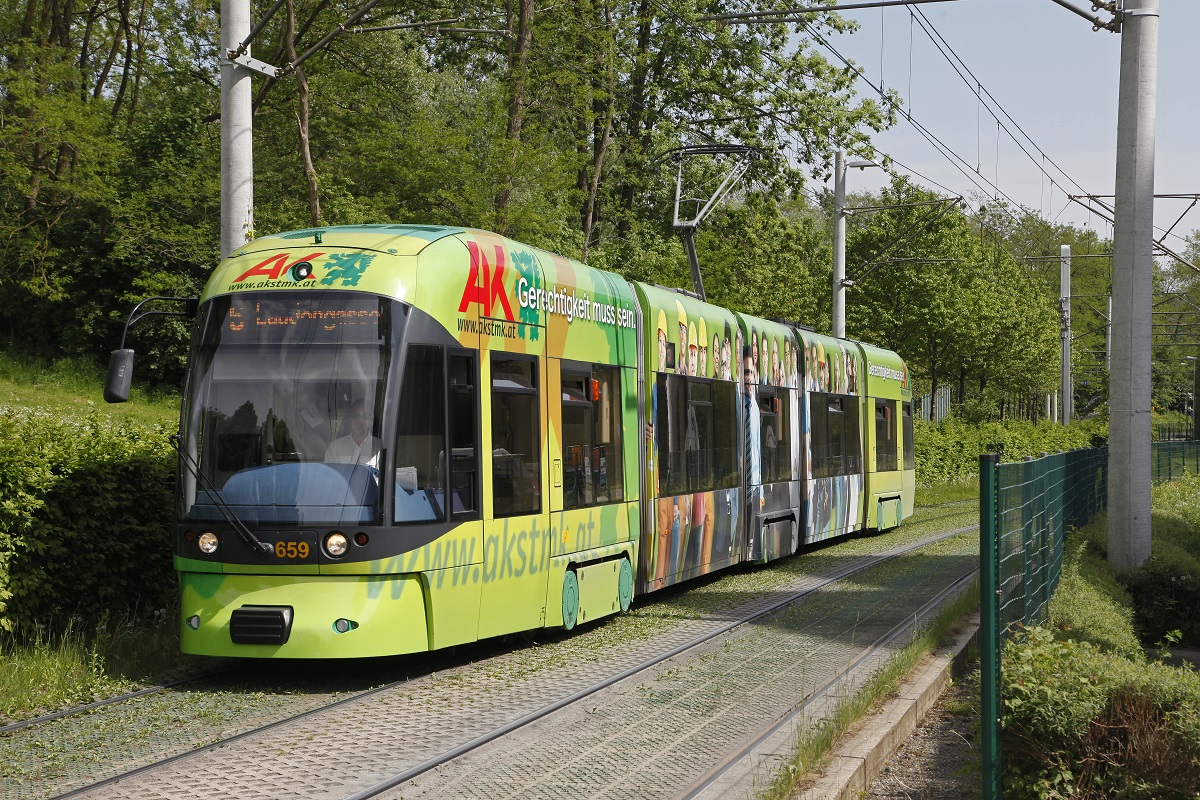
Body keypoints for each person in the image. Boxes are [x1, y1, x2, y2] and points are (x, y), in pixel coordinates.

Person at [325, 399, 381, 468]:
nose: (359, 421)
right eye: (355, 416)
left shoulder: (379, 448)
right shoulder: (335, 447)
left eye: (364, 417)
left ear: (371, 420)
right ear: (349, 419)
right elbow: (327, 475)